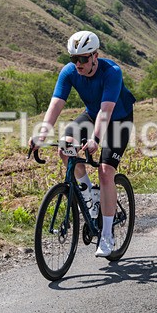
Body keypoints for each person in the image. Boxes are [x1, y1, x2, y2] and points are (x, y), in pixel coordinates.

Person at [30, 30, 136, 257]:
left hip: (118, 119)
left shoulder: (112, 72)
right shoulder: (69, 72)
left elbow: (106, 111)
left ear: (95, 56)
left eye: (83, 59)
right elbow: (55, 105)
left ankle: (107, 235)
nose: (78, 64)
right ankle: (90, 199)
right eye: (73, 59)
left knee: (106, 171)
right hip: (91, 114)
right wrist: (41, 134)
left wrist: (96, 139)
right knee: (65, 146)